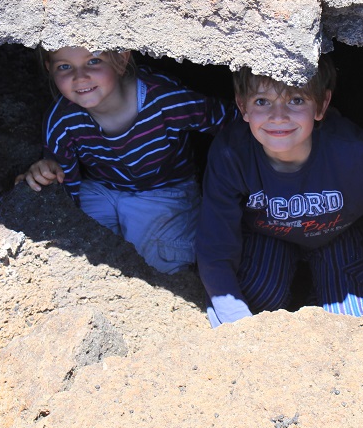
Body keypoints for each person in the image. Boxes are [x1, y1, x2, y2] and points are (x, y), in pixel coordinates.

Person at [196, 56, 363, 327]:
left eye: (296, 100)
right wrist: (238, 327)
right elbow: (215, 248)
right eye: (262, 102)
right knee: (255, 297)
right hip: (268, 234)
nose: (278, 117)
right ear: (242, 106)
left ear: (321, 105)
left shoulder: (355, 154)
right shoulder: (232, 154)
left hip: (339, 232)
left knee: (352, 323)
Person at [17, 46, 236, 274]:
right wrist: (45, 175)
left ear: (121, 60)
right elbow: (66, 185)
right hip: (101, 188)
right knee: (82, 256)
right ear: (49, 69)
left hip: (163, 191)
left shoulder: (164, 99)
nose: (79, 77)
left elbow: (227, 120)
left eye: (93, 62)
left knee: (154, 270)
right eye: (64, 67)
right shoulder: (62, 117)